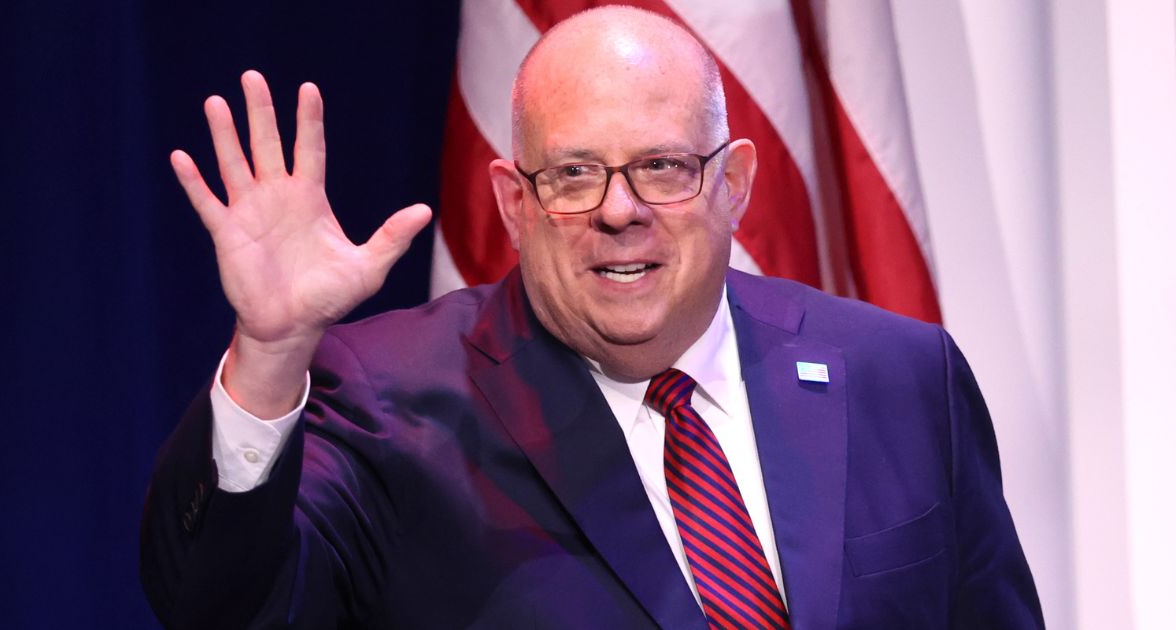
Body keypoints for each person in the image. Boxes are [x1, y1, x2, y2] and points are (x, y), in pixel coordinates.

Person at [141, 7, 1043, 629]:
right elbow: (221, 608)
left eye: (661, 167)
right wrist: (268, 355)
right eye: (573, 174)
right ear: (512, 202)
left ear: (733, 185)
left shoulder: (900, 377)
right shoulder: (391, 404)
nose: (619, 211)